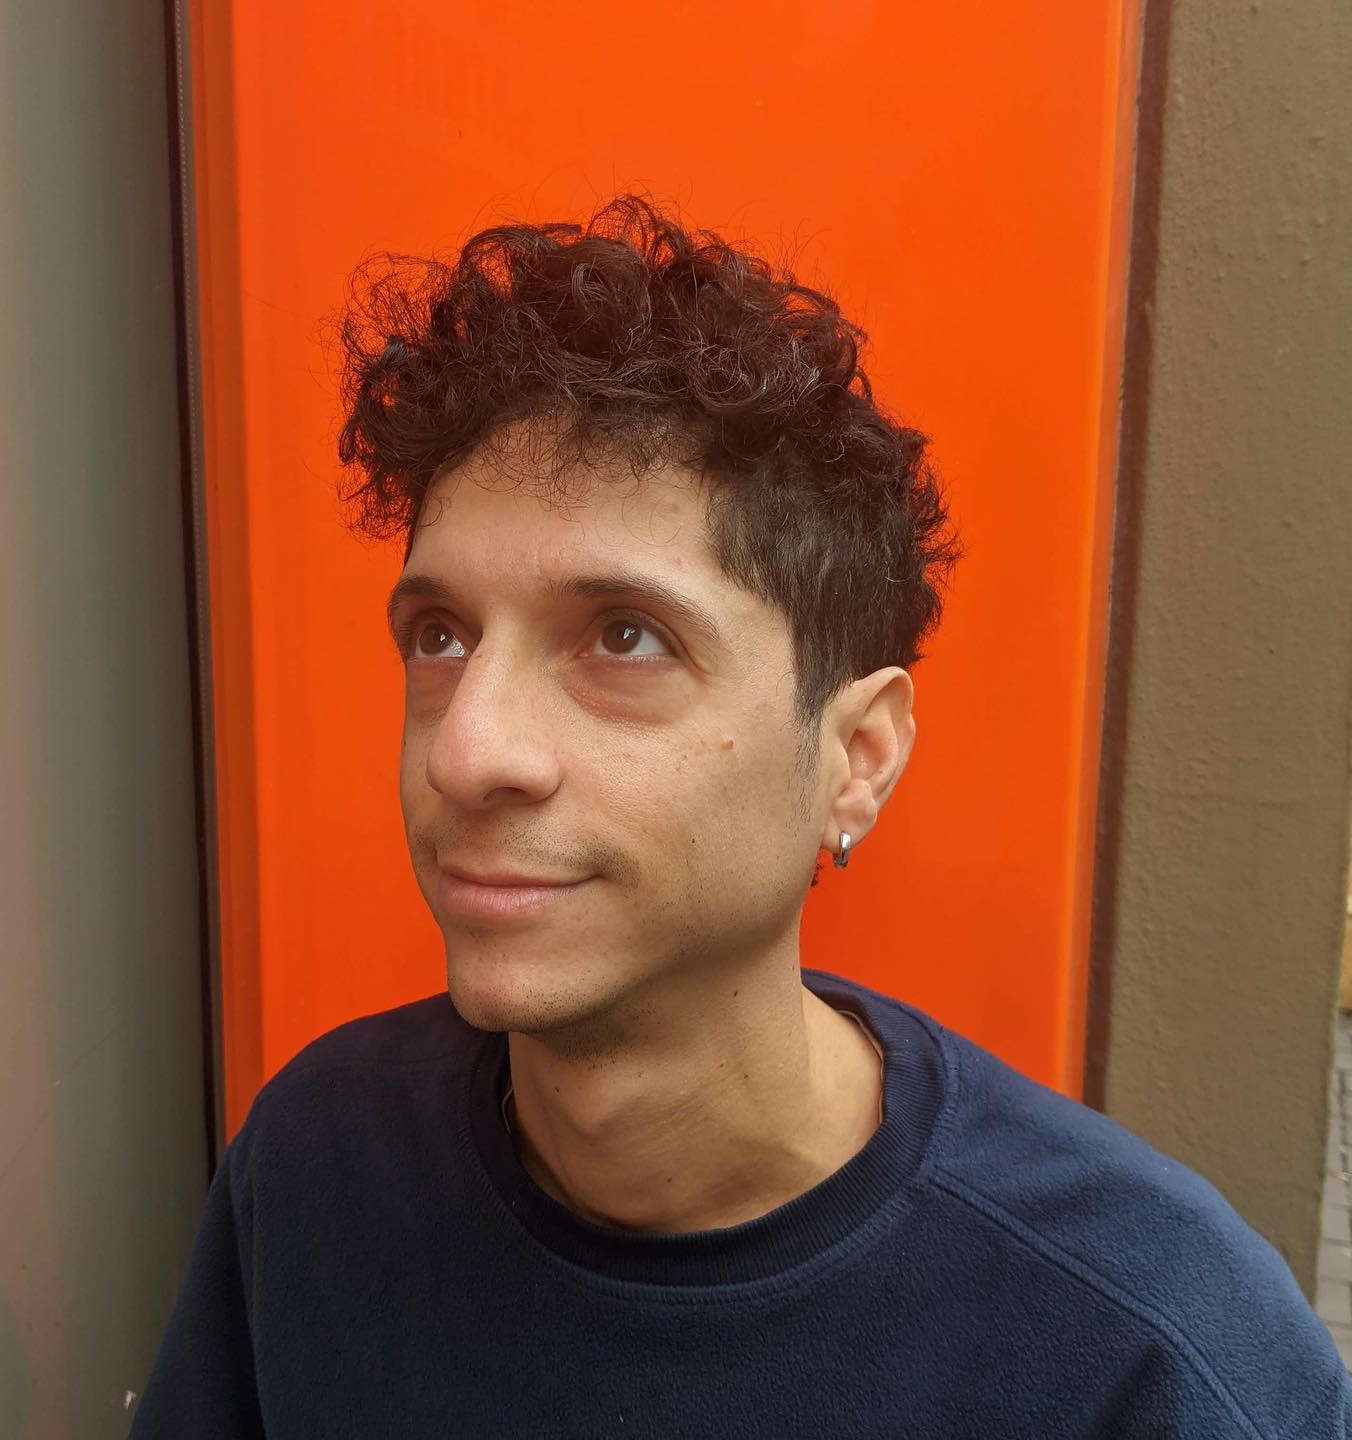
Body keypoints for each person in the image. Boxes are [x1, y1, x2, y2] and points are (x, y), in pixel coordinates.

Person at [129, 194, 1348, 1438]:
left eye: (625, 637)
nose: (467, 751)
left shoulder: (1153, 1355)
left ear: (857, 758)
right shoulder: (321, 1167)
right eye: (441, 637)